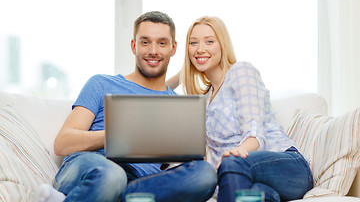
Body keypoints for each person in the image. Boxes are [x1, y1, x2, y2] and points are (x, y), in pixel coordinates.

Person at [33, 11, 217, 202]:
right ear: (133, 46)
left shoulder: (177, 107)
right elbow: (63, 143)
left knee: (204, 174)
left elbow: (182, 167)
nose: (153, 50)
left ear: (173, 48)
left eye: (161, 43)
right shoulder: (101, 83)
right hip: (94, 168)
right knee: (112, 176)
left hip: (141, 182)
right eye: (145, 42)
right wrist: (119, 135)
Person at [168, 16, 313, 202]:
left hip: (288, 168)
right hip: (244, 176)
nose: (200, 48)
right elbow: (156, 95)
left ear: (223, 45)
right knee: (258, 194)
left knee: (231, 164)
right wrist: (187, 68)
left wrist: (234, 156)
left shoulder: (241, 71)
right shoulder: (204, 100)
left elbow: (255, 135)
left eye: (209, 41)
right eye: (193, 43)